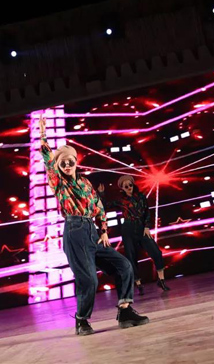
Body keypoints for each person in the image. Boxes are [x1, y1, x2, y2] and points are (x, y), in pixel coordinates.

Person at [39, 115, 149, 336]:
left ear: (76, 161)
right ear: (58, 165)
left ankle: (125, 312)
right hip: (75, 232)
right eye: (62, 162)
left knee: (124, 266)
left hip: (92, 231)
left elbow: (99, 207)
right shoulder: (58, 182)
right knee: (89, 279)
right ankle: (81, 320)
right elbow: (48, 160)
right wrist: (43, 135)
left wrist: (104, 230)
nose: (67, 165)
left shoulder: (85, 182)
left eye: (70, 161)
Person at [97, 176, 170, 295]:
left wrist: (147, 226)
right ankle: (138, 284)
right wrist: (101, 193)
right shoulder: (121, 200)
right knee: (131, 256)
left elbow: (147, 212)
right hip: (128, 229)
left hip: (141, 227)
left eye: (130, 185)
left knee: (156, 252)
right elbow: (105, 205)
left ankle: (161, 280)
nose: (129, 187)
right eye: (126, 186)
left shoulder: (141, 197)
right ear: (122, 188)